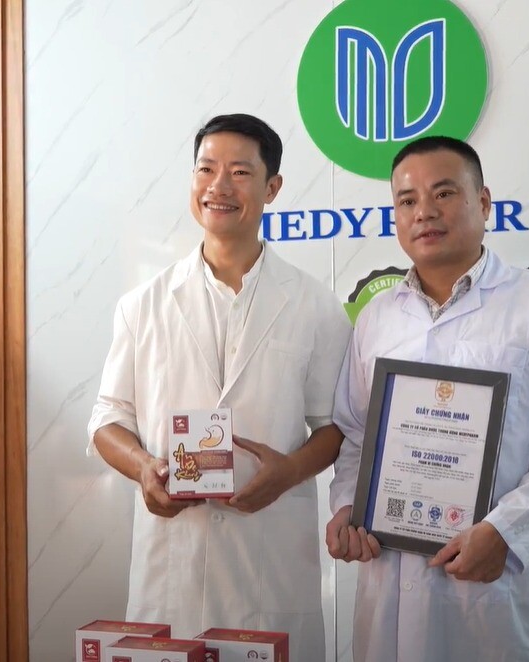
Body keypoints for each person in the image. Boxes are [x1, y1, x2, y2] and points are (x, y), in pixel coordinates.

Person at [325, 136, 529, 661]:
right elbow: (356, 433)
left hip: (490, 587)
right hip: (389, 572)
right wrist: (348, 506)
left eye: (444, 193)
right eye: (407, 200)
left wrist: (507, 531)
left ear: (483, 202)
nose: (424, 212)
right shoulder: (377, 317)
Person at [88, 113, 351, 661]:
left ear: (272, 188)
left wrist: (289, 472)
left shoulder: (315, 305)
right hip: (174, 563)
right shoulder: (143, 305)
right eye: (206, 169)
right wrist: (143, 468)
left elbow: (336, 427)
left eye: (240, 172)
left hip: (270, 559)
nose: (219, 186)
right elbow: (107, 420)